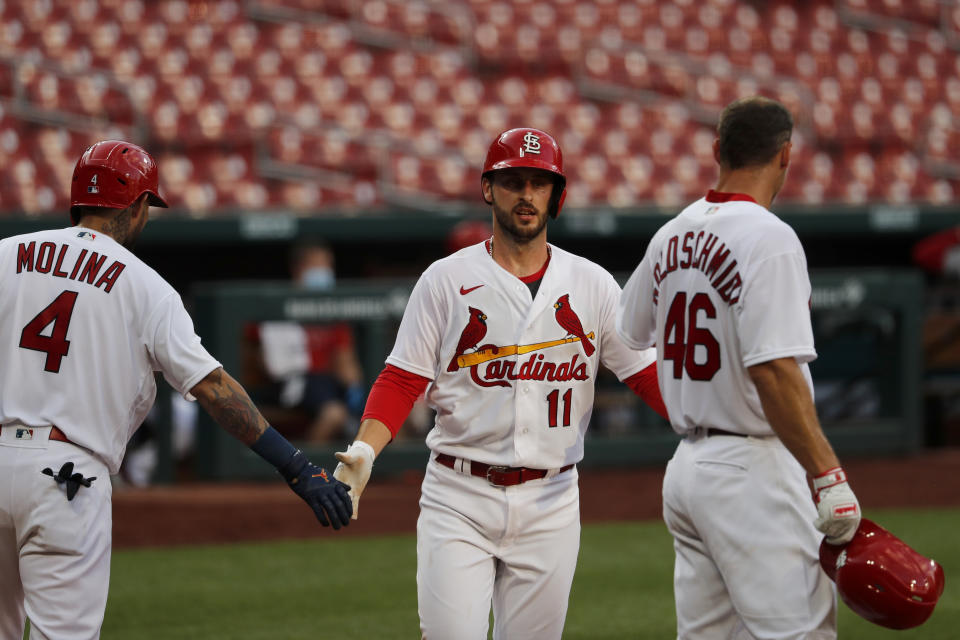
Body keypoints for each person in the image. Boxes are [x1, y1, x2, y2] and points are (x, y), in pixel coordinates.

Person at [0, 140, 351, 639]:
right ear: (138, 205)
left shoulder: (7, 254)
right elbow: (212, 388)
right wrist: (294, 465)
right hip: (65, 476)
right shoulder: (146, 286)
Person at [333, 127, 668, 639]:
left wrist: (711, 424)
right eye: (513, 182)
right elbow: (402, 378)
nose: (526, 195)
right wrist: (365, 448)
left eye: (539, 183)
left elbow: (644, 374)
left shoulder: (592, 283)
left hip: (553, 497)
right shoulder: (445, 279)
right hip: (459, 493)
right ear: (489, 188)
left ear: (556, 194)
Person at [616, 97, 862, 639]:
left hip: (687, 472)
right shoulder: (770, 238)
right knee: (798, 633)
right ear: (786, 155)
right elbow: (774, 371)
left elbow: (625, 334)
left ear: (716, 151)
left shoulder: (670, 234)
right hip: (754, 469)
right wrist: (828, 475)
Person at [249, 239, 365, 442]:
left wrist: (356, 388)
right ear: (298, 269)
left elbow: (345, 360)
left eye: (327, 266)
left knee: (372, 415)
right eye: (316, 266)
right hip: (291, 383)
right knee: (333, 414)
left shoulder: (333, 309)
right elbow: (268, 364)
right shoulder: (278, 305)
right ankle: (303, 471)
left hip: (326, 385)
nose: (324, 272)